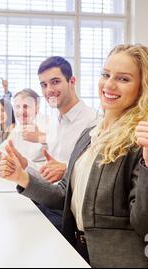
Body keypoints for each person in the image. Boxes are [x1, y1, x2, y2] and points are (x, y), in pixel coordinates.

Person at [0, 44, 148, 268]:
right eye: (106, 75)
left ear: (142, 88)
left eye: (123, 79)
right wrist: (22, 177)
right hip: (76, 249)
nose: (109, 84)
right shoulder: (90, 135)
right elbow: (64, 194)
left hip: (114, 260)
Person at [6, 56, 98, 230]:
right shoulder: (56, 122)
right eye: (44, 85)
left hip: (68, 213)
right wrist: (24, 165)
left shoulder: (92, 122)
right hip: (49, 200)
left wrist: (67, 168)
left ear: (72, 81)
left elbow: (97, 177)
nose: (49, 90)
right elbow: (50, 174)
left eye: (55, 82)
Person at [0, 88, 51, 166]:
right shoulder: (18, 129)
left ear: (37, 107)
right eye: (17, 107)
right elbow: (2, 150)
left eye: (26, 106)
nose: (21, 111)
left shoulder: (49, 123)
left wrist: (40, 138)